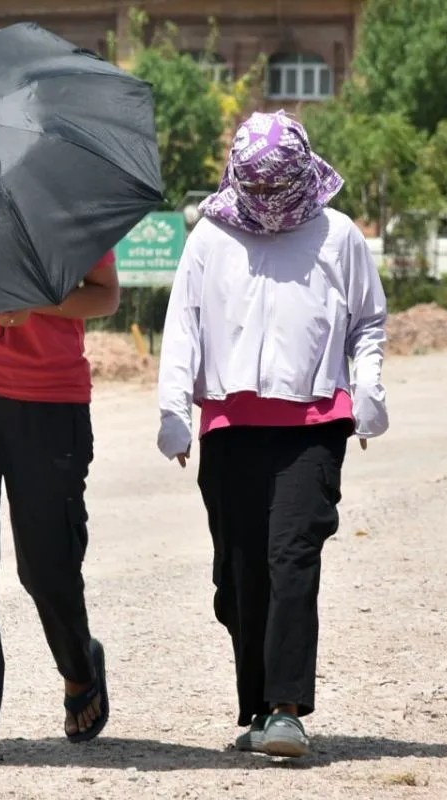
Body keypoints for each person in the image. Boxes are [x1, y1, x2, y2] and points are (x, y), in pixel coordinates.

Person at [157, 111, 388, 758]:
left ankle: (286, 709)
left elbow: (368, 321)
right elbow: (183, 325)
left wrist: (368, 395)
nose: (263, 205)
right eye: (251, 192)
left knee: (292, 559)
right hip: (229, 427)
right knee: (238, 574)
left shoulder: (338, 236)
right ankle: (258, 707)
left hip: (313, 425)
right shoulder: (210, 239)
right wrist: (173, 410)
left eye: (274, 191)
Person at [0, 253, 119, 765]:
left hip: (52, 400)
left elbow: (104, 295)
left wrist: (33, 303)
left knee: (48, 566)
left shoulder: (67, 204)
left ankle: (80, 667)